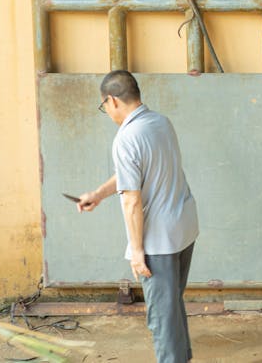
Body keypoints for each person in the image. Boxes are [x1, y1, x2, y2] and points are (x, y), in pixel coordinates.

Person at [78, 70, 199, 363]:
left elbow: (132, 199)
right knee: (171, 305)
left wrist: (136, 250)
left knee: (161, 315)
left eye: (104, 106)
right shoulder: (160, 123)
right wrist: (98, 193)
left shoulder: (126, 137)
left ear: (112, 101)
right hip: (183, 229)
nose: (106, 112)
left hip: (158, 241)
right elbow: (131, 174)